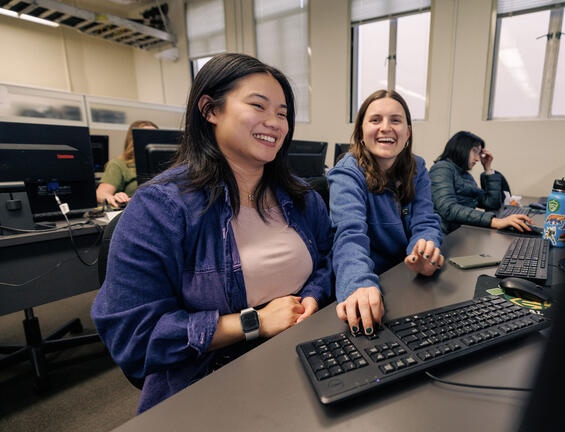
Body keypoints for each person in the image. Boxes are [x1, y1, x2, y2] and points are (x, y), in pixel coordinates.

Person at [91, 54, 333, 413]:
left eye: (282, 113)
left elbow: (327, 261)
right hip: (212, 380)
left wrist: (312, 296)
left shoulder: (301, 197)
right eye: (258, 106)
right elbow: (133, 336)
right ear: (210, 110)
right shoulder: (159, 207)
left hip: (301, 360)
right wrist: (254, 322)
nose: (275, 123)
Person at [328, 90, 444, 336]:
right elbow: (349, 235)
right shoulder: (347, 173)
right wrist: (359, 284)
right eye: (375, 120)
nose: (386, 128)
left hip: (405, 278)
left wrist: (424, 249)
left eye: (395, 120)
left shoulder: (417, 167)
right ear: (361, 131)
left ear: (407, 133)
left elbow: (425, 220)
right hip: (370, 280)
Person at [429, 131, 533, 234]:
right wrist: (494, 221)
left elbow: (491, 203)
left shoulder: (465, 175)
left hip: (461, 230)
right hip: (444, 234)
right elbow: (448, 209)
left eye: (479, 153)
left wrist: (488, 169)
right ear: (462, 148)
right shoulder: (441, 169)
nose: (478, 159)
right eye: (475, 151)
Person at [96, 120, 158, 208]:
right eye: (147, 137)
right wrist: (115, 197)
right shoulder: (119, 164)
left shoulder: (167, 165)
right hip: (136, 210)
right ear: (132, 141)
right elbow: (101, 193)